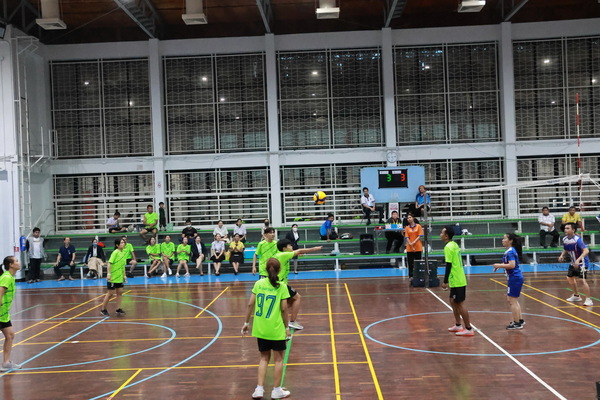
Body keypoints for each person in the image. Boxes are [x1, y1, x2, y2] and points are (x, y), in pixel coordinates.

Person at [241, 258, 291, 400]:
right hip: (276, 329)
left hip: (261, 329)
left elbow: (250, 304)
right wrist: (287, 327)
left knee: (263, 358)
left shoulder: (258, 283)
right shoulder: (282, 286)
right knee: (278, 359)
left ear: (266, 270)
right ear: (279, 270)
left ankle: (259, 389)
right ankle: (276, 390)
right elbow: (284, 309)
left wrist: (246, 322)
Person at [273, 239, 322, 330]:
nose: (291, 247)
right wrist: (315, 249)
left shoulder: (279, 255)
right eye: (289, 246)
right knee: (297, 297)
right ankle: (292, 322)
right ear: (284, 248)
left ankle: (277, 317)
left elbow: (296, 253)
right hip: (280, 285)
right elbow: (299, 251)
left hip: (279, 284)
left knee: (289, 302)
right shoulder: (283, 255)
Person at [440, 226, 474, 336]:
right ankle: (458, 325)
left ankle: (468, 328)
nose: (440, 234)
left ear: (446, 236)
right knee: (452, 300)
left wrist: (445, 281)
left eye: (442, 233)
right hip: (457, 278)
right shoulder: (454, 244)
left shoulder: (448, 247)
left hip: (457, 279)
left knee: (460, 304)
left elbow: (448, 265)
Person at [493, 233, 525, 329]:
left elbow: (512, 265)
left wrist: (499, 265)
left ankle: (517, 323)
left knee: (512, 300)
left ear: (510, 241)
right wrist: (501, 265)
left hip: (514, 278)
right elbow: (508, 263)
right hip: (514, 277)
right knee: (513, 299)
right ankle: (519, 320)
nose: (502, 240)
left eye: (504, 238)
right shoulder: (510, 251)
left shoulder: (510, 252)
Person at [558, 222, 593, 306]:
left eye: (567, 228)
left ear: (573, 230)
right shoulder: (565, 239)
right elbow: (565, 248)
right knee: (569, 278)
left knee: (581, 280)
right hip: (573, 262)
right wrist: (562, 255)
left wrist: (578, 260)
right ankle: (576, 296)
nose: (565, 230)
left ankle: (588, 300)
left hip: (582, 263)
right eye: (565, 228)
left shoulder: (578, 240)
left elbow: (586, 251)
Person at [0, 256, 22, 371]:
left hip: (4, 314)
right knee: (10, 335)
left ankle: (6, 363)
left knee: (10, 335)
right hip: (0, 312)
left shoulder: (10, 277)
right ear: (11, 265)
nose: (19, 263)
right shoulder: (7, 277)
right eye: (16, 261)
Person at [100, 239, 127, 317]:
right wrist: (108, 274)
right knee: (110, 294)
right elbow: (109, 263)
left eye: (123, 242)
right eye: (121, 243)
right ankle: (103, 309)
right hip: (113, 277)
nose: (123, 244)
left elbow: (123, 266)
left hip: (119, 277)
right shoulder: (115, 253)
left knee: (120, 292)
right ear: (117, 245)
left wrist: (124, 275)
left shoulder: (123, 253)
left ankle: (118, 308)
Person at [404, 213, 423, 279]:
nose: (409, 219)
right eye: (408, 218)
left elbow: (419, 235)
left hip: (418, 246)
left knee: (418, 262)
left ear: (413, 218)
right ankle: (411, 276)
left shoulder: (418, 226)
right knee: (410, 263)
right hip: (409, 247)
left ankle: (419, 275)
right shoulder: (407, 228)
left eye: (410, 217)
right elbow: (406, 237)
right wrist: (410, 243)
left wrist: (414, 242)